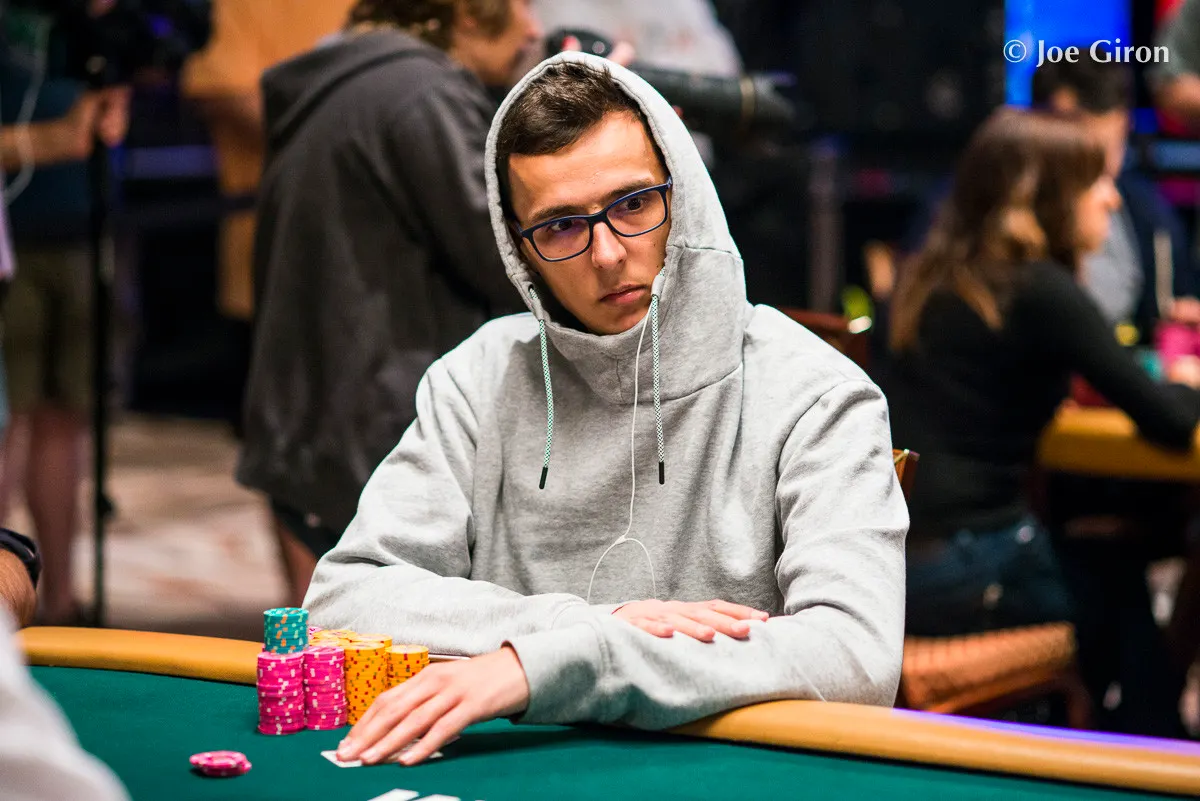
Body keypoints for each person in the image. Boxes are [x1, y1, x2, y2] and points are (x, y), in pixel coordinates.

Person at [311, 54, 907, 768]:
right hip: (514, 773)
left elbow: (856, 656)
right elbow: (341, 602)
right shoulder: (476, 378)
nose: (605, 254)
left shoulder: (817, 392)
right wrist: (585, 626)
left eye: (633, 204)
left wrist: (556, 663)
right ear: (520, 251)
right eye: (561, 226)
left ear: (682, 195)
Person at [883, 108, 1200, 734]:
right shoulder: (1039, 289)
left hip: (895, 561)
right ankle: (1148, 749)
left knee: (1105, 563)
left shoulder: (925, 277)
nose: (1112, 199)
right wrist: (1189, 381)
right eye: (1095, 183)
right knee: (1117, 579)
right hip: (965, 571)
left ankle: (1128, 739)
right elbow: (1167, 420)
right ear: (1049, 197)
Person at [237, 0, 545, 606]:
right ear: (466, 12)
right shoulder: (422, 94)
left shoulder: (347, 78)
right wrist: (593, 137)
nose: (533, 28)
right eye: (521, 3)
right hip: (380, 432)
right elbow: (514, 262)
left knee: (325, 647)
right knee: (378, 648)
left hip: (313, 422)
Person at [182, 0, 359, 607]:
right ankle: (311, 614)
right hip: (272, 268)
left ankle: (354, 605)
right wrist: (343, 130)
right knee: (288, 451)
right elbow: (221, 90)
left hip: (369, 274)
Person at [0, 7, 130, 624]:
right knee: (8, 422)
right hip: (14, 238)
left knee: (65, 414)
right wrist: (52, 139)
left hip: (79, 224)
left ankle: (60, 602)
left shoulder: (89, 22)